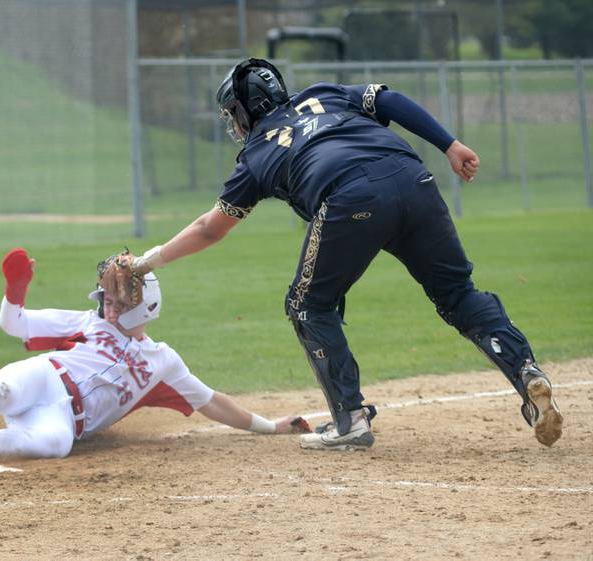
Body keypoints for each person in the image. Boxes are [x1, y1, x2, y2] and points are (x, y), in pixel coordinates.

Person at [126, 58, 563, 451]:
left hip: (351, 198)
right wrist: (449, 144)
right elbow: (388, 100)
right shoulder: (322, 94)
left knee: (307, 304)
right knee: (456, 293)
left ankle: (349, 421)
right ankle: (525, 371)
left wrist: (145, 262)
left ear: (244, 112)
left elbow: (210, 228)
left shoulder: (256, 153)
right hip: (413, 178)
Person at [0, 248, 309, 459]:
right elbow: (15, 325)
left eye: (117, 301)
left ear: (143, 308)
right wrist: (15, 292)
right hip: (46, 375)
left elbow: (213, 402)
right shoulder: (87, 323)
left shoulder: (162, 360)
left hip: (68, 418)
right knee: (0, 390)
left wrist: (271, 427)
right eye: (106, 297)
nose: (107, 306)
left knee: (54, 445)